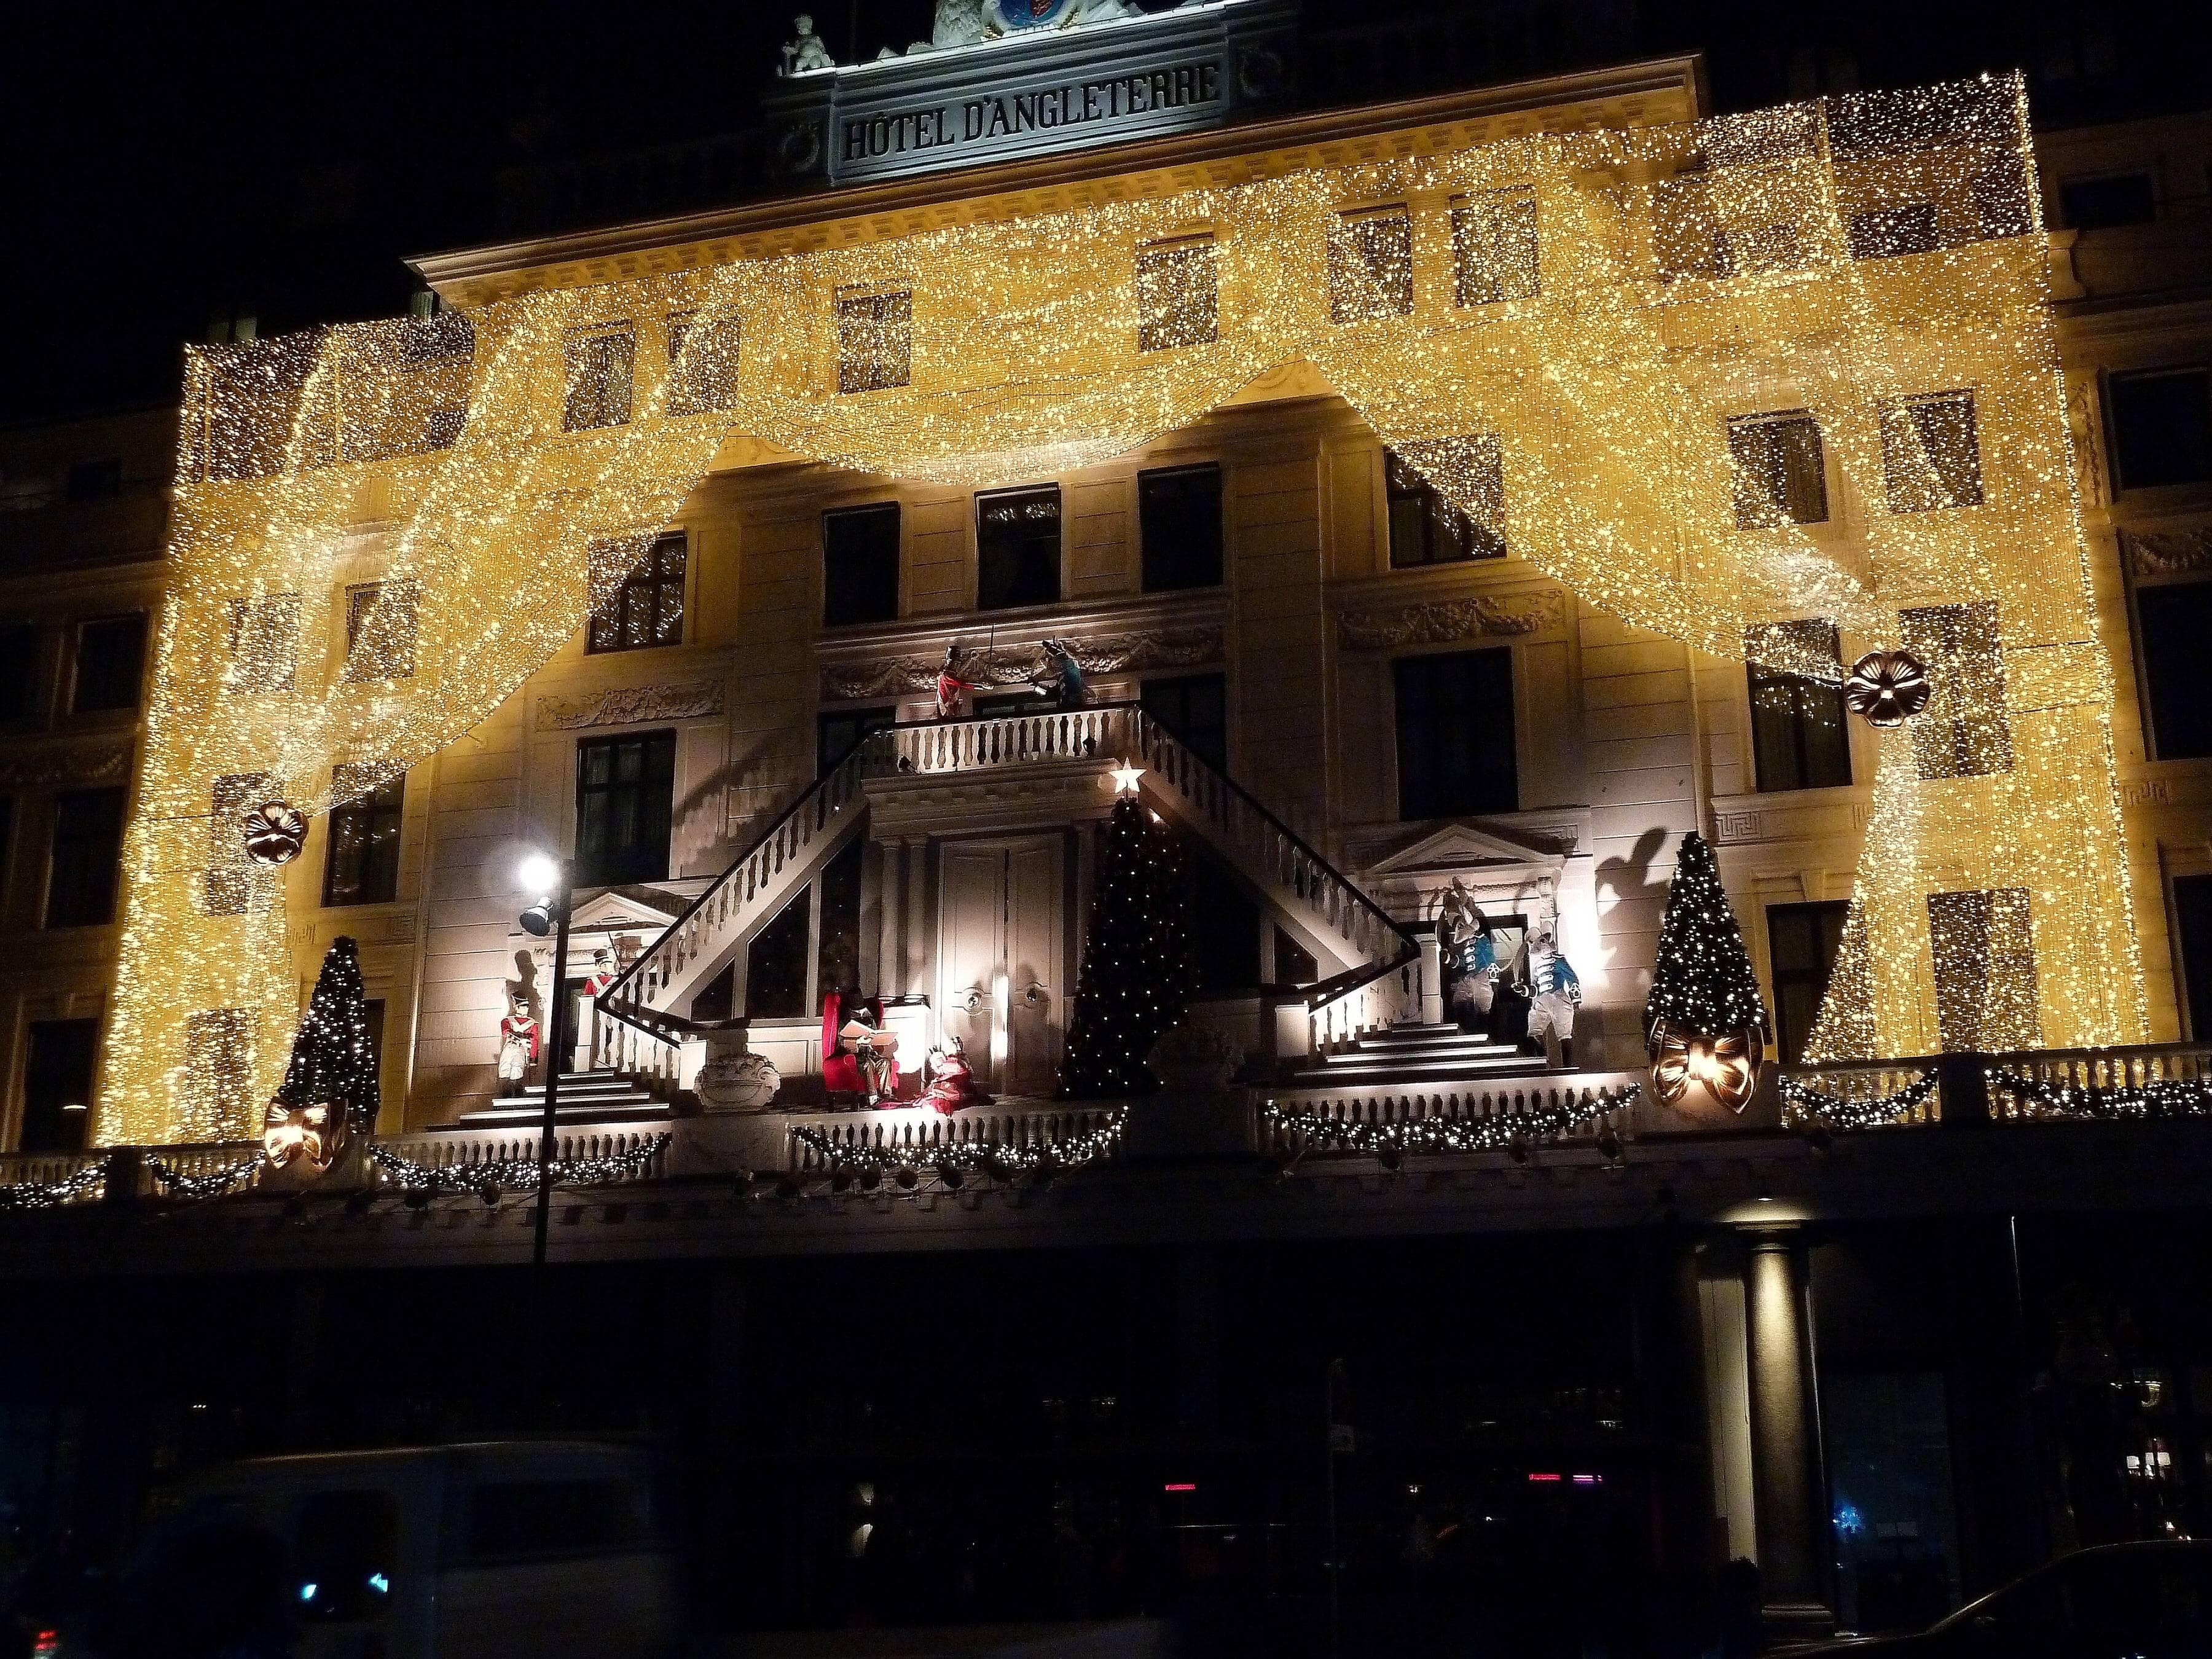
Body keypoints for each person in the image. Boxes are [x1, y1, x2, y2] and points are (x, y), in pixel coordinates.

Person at [1521, 923, 1582, 1069]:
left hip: (1558, 996)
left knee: (1564, 1033)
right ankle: (1541, 1062)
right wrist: (1523, 990)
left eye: (1543, 941)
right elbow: (1536, 989)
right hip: (1542, 999)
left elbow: (1572, 977)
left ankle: (1568, 1066)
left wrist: (1576, 1000)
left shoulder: (1558, 959)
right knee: (1534, 1029)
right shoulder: (1538, 967)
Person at [496, 992, 538, 1088]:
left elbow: (535, 1040)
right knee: (504, 1069)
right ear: (517, 1007)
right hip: (509, 1048)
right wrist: (520, 1039)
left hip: (522, 1050)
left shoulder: (533, 1023)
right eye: (523, 1006)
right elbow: (506, 1032)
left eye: (527, 1006)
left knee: (517, 1069)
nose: (526, 1009)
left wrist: (533, 1060)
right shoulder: (507, 1020)